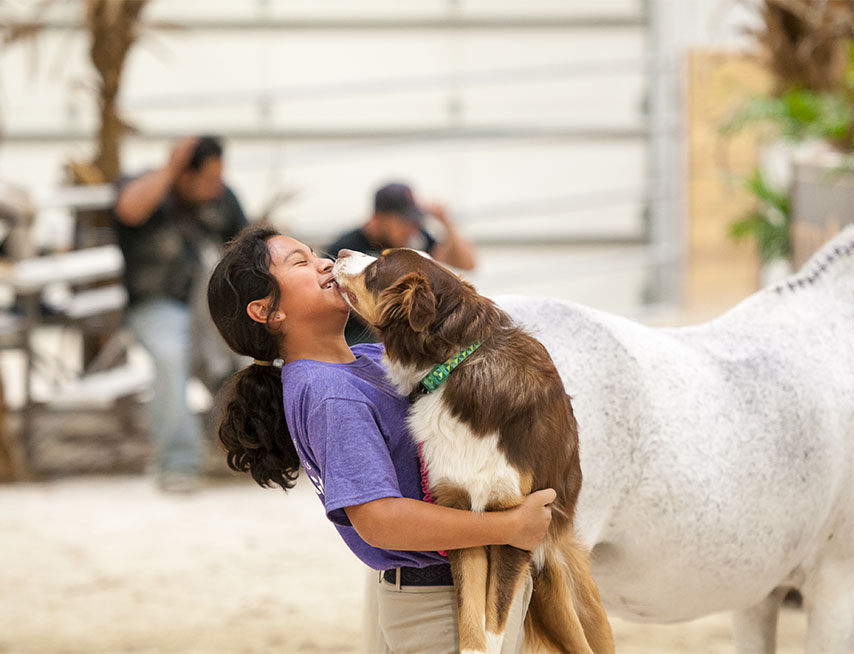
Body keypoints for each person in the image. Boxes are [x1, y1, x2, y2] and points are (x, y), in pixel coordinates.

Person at [206, 225, 555, 654]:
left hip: (467, 588)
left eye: (315, 252)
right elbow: (378, 520)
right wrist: (509, 526)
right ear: (266, 311)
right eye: (300, 262)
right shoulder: (329, 392)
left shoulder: (372, 360)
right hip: (439, 606)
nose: (324, 261)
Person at [112, 135, 247, 492]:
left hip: (213, 305)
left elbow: (248, 249)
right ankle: (177, 463)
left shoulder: (223, 197)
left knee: (252, 355)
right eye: (207, 179)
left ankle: (250, 448)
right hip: (157, 304)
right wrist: (170, 168)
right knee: (170, 359)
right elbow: (128, 209)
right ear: (183, 174)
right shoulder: (147, 188)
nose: (215, 187)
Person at [327, 182, 476, 344]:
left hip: (405, 333)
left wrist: (446, 222)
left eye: (414, 221)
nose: (411, 228)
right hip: (361, 339)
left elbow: (467, 263)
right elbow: (373, 319)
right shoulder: (348, 248)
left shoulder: (413, 239)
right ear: (378, 217)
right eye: (404, 221)